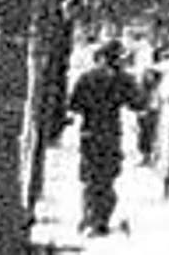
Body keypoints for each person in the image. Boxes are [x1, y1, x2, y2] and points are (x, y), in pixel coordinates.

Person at [64, 39, 142, 238]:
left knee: (90, 177)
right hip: (111, 133)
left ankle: (89, 217)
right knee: (107, 178)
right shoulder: (123, 79)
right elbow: (137, 103)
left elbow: (73, 106)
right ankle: (100, 220)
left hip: (90, 133)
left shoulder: (87, 77)